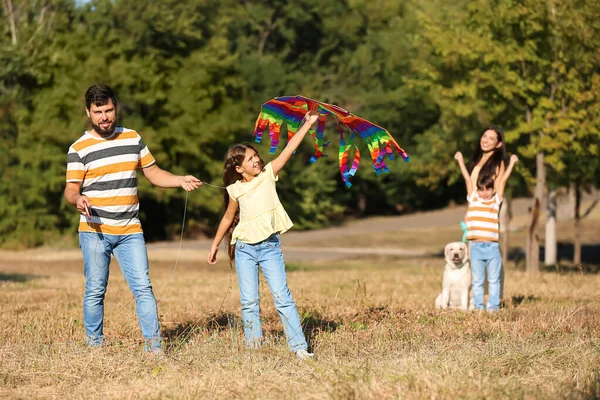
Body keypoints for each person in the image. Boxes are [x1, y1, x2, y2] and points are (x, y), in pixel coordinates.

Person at [64, 84, 201, 353]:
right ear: (88, 112)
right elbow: (70, 188)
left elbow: (154, 173)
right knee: (95, 289)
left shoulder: (132, 138)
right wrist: (77, 199)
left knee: (143, 287)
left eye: (109, 110)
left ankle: (154, 347)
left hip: (130, 230)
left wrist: (179, 180)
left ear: (116, 108)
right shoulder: (78, 148)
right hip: (94, 231)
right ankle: (95, 346)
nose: (105, 117)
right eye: (98, 112)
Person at [207, 110, 320, 360]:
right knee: (249, 302)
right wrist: (215, 245)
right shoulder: (234, 189)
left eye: (256, 155)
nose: (257, 160)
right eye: (250, 159)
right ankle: (254, 349)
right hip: (245, 248)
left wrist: (307, 124)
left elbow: (289, 149)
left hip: (269, 247)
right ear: (238, 168)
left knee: (283, 298)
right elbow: (228, 218)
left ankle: (299, 347)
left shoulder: (268, 174)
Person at [454, 151, 518, 312]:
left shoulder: (496, 201)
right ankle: (478, 306)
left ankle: (493, 307)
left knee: (494, 279)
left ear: (492, 190)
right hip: (475, 247)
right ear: (478, 190)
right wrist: (460, 161)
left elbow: (502, 181)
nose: (484, 193)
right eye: (481, 189)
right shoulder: (474, 198)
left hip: (492, 247)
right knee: (478, 280)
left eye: (487, 189)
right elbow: (467, 179)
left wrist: (511, 164)